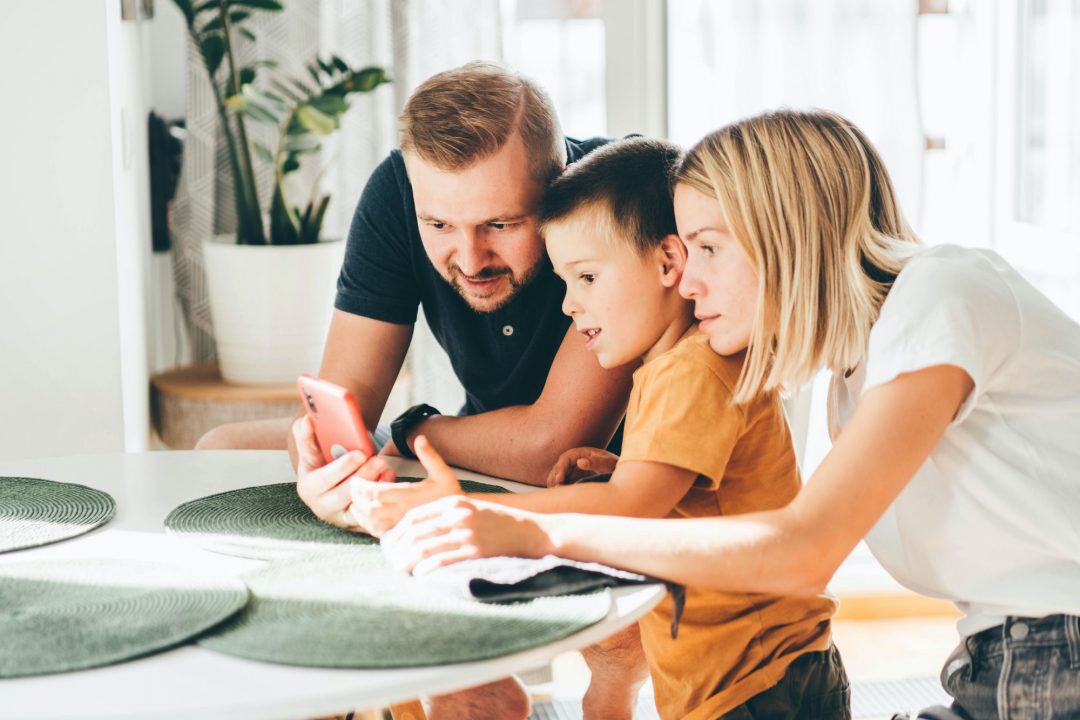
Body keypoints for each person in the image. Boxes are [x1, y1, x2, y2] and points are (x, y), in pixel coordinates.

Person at [383, 109, 1080, 720]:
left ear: (786, 232)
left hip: (1056, 658)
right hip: (1005, 662)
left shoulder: (941, 295)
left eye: (709, 248)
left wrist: (535, 531)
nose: (686, 279)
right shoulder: (858, 381)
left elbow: (801, 552)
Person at [346, 137, 848, 720]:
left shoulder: (693, 371)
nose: (569, 306)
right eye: (563, 284)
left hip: (762, 685)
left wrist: (487, 516)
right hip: (744, 678)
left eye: (585, 279)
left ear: (667, 263)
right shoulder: (675, 364)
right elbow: (698, 487)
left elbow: (632, 507)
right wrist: (624, 467)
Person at [233, 62, 634, 720]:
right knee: (224, 446)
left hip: (606, 470)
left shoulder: (614, 197)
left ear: (559, 185)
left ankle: (498, 681)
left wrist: (406, 435)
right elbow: (344, 404)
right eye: (440, 226)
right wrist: (326, 461)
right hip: (478, 448)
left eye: (500, 225)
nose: (470, 258)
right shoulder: (397, 191)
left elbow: (550, 445)